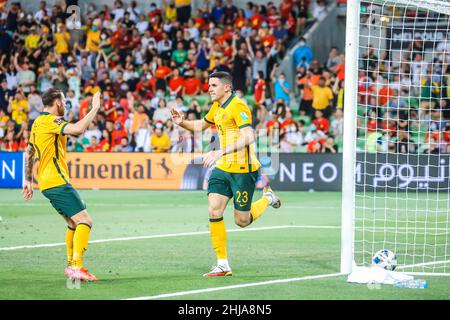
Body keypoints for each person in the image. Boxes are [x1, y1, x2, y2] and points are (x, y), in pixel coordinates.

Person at [170, 71, 281, 277]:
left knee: (242, 221)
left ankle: (267, 198)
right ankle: (222, 264)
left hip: (243, 170)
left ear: (226, 88)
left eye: (213, 85)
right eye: (209, 85)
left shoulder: (238, 106)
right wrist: (182, 122)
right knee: (214, 210)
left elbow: (249, 137)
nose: (209, 89)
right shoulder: (217, 106)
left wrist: (220, 150)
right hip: (223, 168)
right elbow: (201, 125)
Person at [22, 89, 103, 282]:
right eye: (64, 101)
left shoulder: (37, 124)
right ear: (57, 102)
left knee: (73, 223)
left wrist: (27, 180)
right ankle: (77, 267)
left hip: (47, 182)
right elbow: (77, 130)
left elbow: (28, 152)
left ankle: (71, 266)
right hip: (57, 181)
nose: (66, 105)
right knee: (85, 221)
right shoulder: (50, 121)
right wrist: (95, 108)